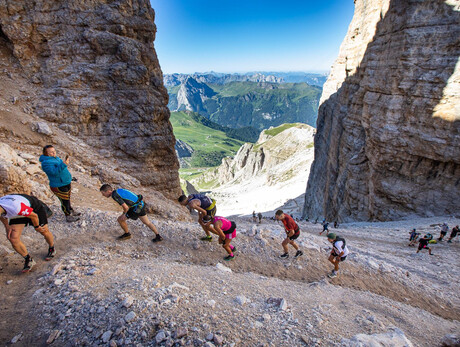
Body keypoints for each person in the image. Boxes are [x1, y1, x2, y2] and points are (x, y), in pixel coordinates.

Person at [0, 194, 56, 272]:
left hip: (34, 209)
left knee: (44, 231)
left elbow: (34, 216)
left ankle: (52, 248)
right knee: (13, 238)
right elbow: (2, 215)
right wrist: (7, 226)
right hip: (18, 211)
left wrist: (37, 227)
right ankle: (28, 259)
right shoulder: (2, 208)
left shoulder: (15, 208)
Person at [39, 145, 80, 223]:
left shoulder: (56, 158)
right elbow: (54, 172)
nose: (54, 152)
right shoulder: (45, 163)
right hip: (58, 184)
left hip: (66, 182)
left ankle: (71, 210)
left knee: (67, 198)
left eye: (54, 151)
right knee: (64, 201)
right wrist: (64, 164)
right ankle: (68, 216)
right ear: (46, 153)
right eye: (51, 152)